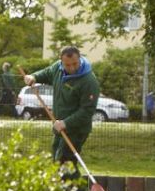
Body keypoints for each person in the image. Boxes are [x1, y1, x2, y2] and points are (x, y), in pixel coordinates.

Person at [24, 46, 100, 181]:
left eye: (75, 64)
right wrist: (33, 77)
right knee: (56, 161)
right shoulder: (57, 69)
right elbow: (46, 73)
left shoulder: (89, 81)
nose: (71, 68)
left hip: (76, 129)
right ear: (61, 62)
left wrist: (66, 123)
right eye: (67, 65)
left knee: (65, 163)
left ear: (80, 59)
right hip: (59, 126)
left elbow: (87, 111)